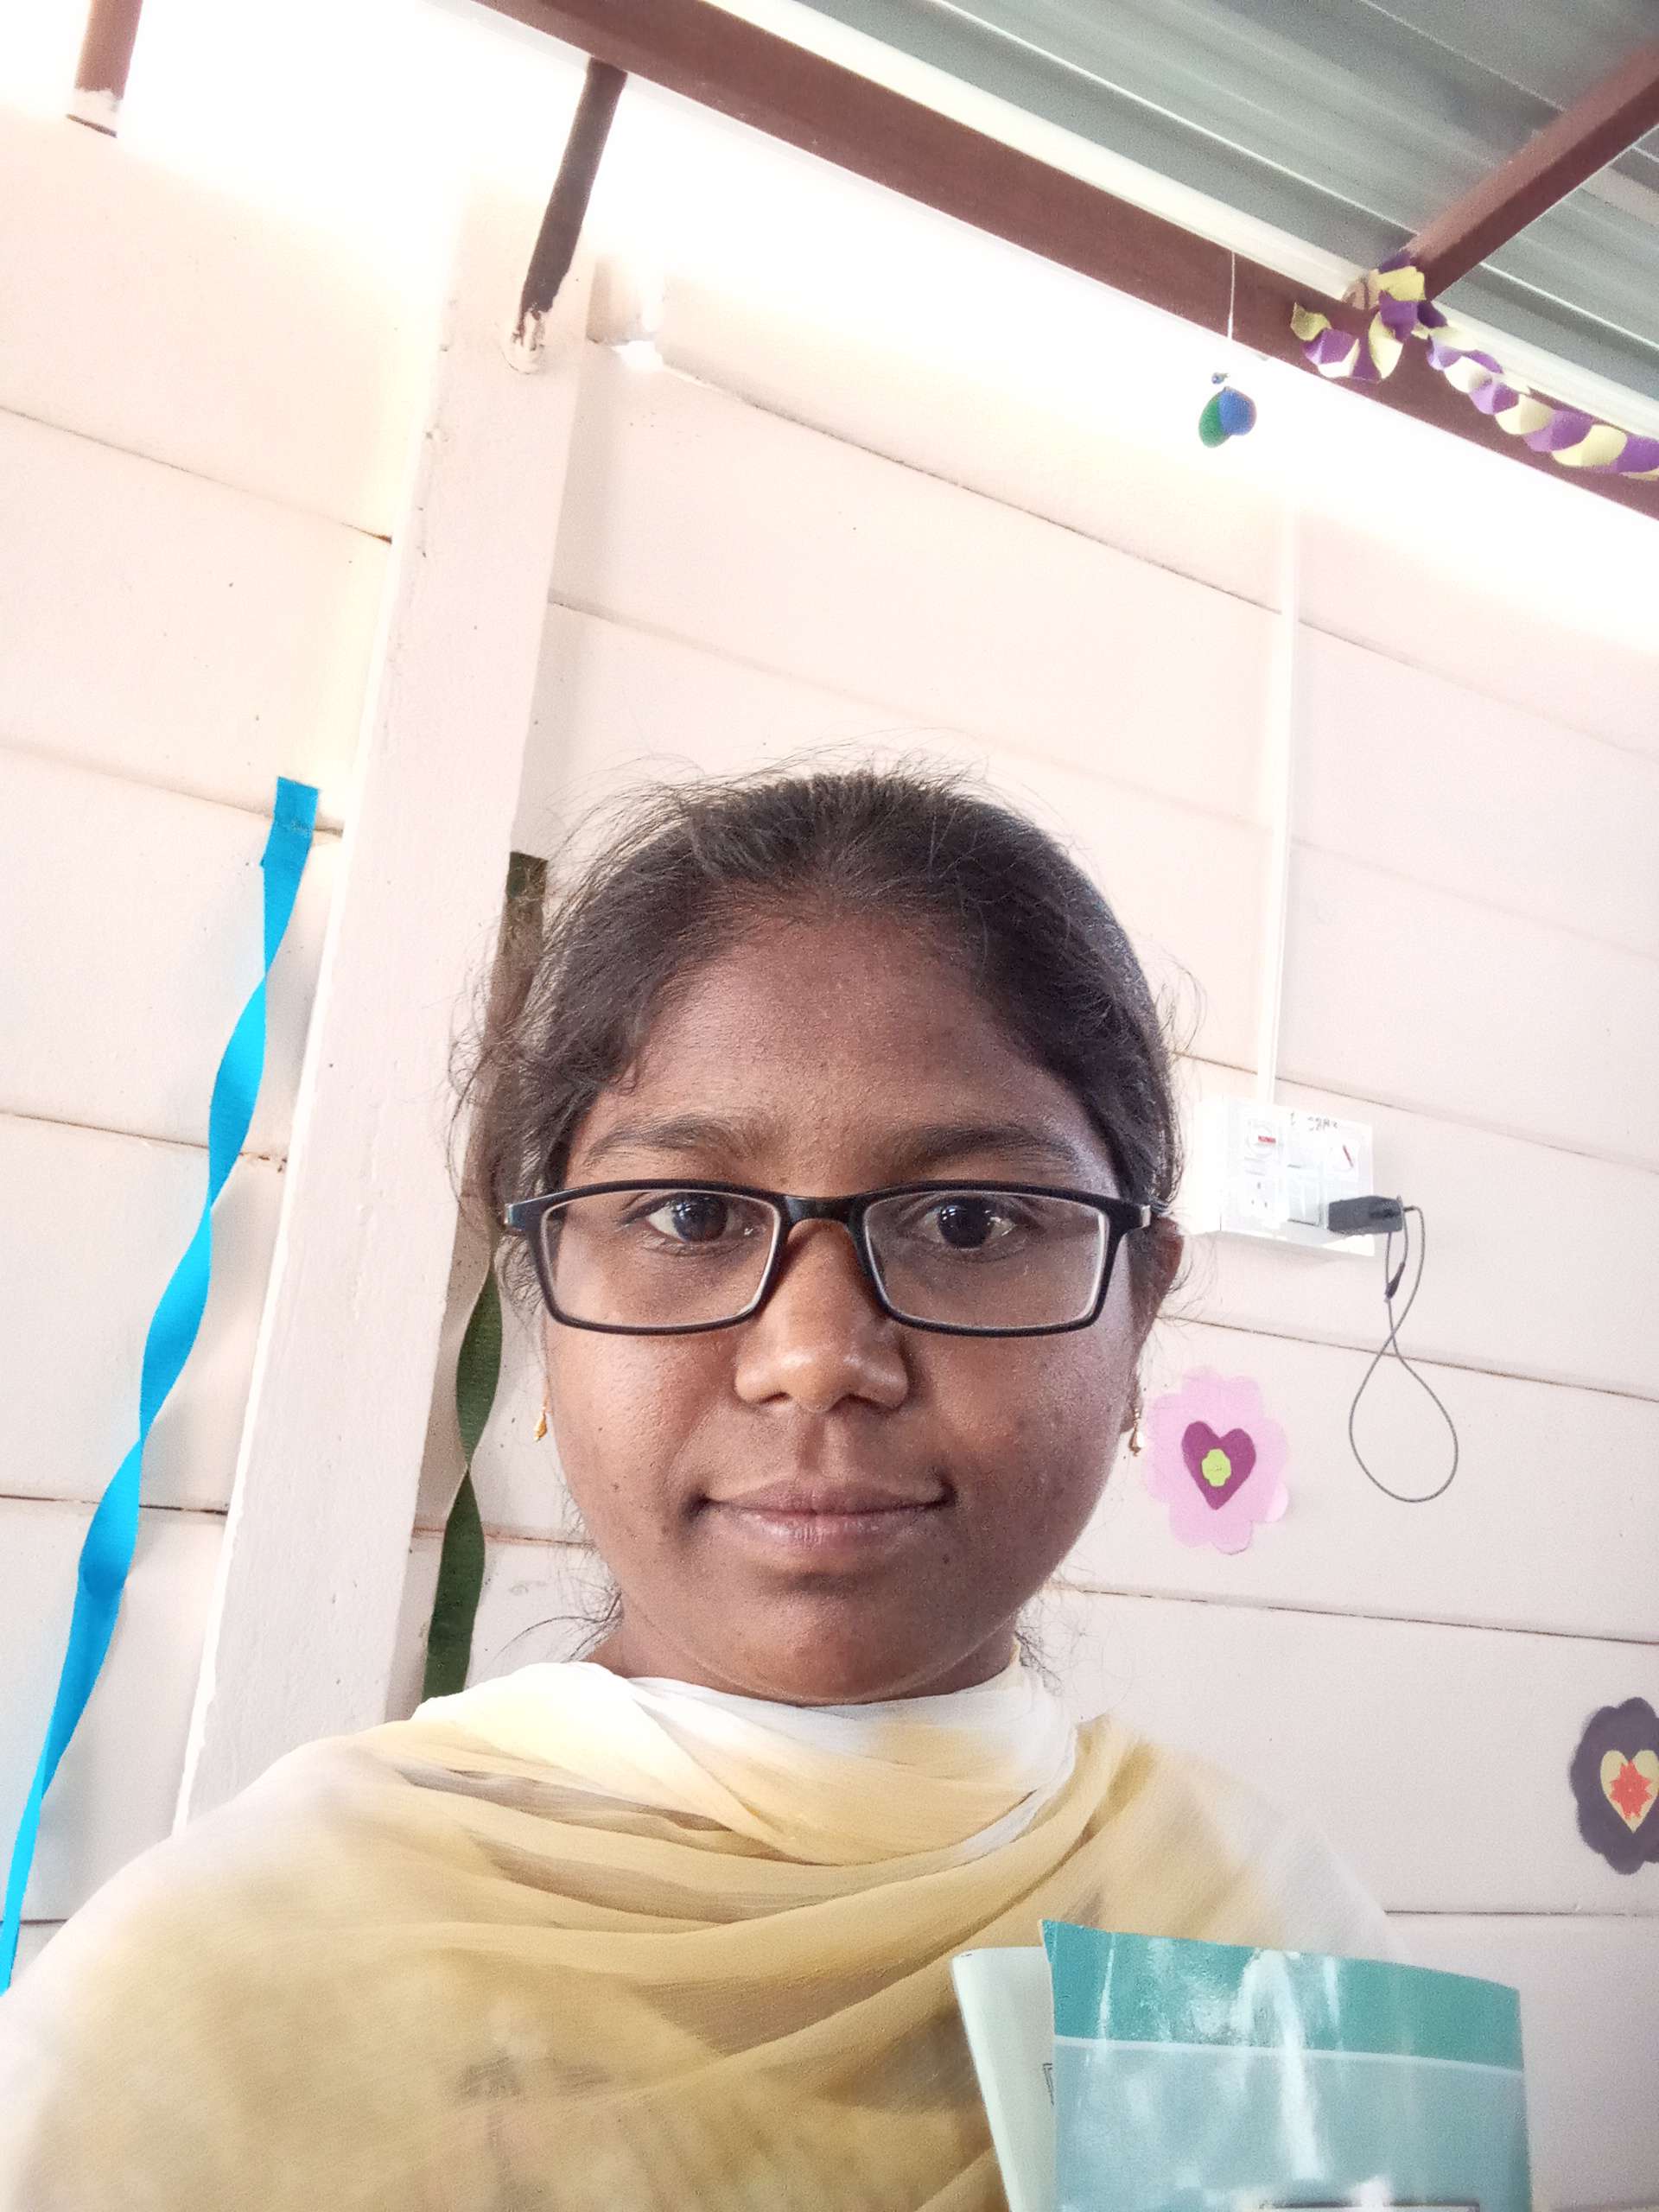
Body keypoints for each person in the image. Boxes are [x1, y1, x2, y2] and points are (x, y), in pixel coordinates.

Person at [0, 764, 1388, 2209]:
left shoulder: (1264, 1942)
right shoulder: (209, 2015)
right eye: (688, 1214)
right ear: (544, 1304)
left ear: (1138, 1315)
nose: (816, 1357)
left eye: (972, 1222)